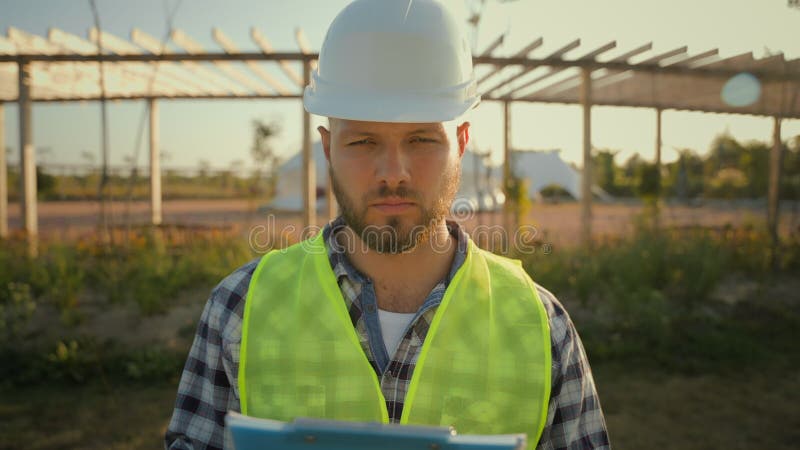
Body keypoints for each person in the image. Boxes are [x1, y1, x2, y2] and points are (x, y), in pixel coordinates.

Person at [165, 0, 609, 449]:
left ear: (461, 142)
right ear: (327, 148)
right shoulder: (239, 309)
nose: (393, 172)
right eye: (362, 140)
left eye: (420, 139)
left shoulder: (541, 326)